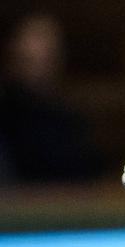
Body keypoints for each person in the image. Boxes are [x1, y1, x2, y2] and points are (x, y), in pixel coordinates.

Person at [0, 12, 100, 183]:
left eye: (48, 58)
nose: (39, 68)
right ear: (13, 55)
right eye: (29, 60)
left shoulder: (67, 120)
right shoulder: (6, 118)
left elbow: (86, 175)